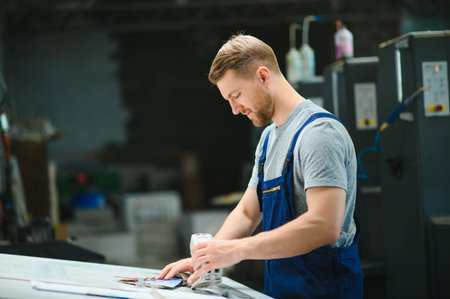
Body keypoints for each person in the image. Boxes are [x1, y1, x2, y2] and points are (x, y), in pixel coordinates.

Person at [156, 34, 363, 298]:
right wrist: (207, 259)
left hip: (325, 289)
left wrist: (236, 251)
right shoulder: (268, 139)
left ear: (263, 76)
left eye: (236, 95)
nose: (234, 109)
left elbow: (323, 225)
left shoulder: (319, 133)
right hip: (282, 288)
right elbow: (247, 212)